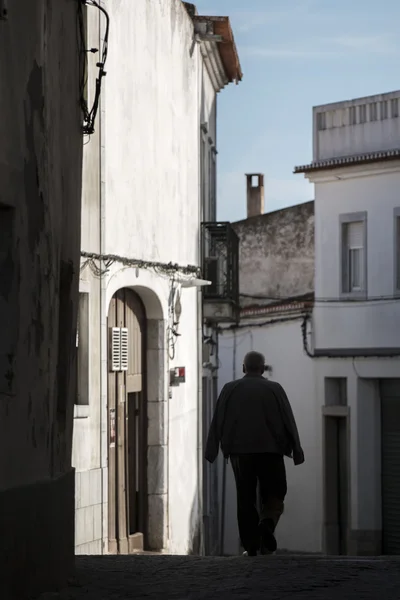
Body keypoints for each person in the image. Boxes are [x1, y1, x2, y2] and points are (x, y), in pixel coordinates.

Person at [205, 351, 304, 557]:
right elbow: (288, 419)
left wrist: (211, 450)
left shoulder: (229, 389)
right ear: (263, 368)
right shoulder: (275, 389)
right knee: (276, 492)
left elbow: (218, 420)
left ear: (243, 368)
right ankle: (267, 521)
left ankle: (251, 546)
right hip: (271, 452)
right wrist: (297, 449)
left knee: (245, 498)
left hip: (240, 453)